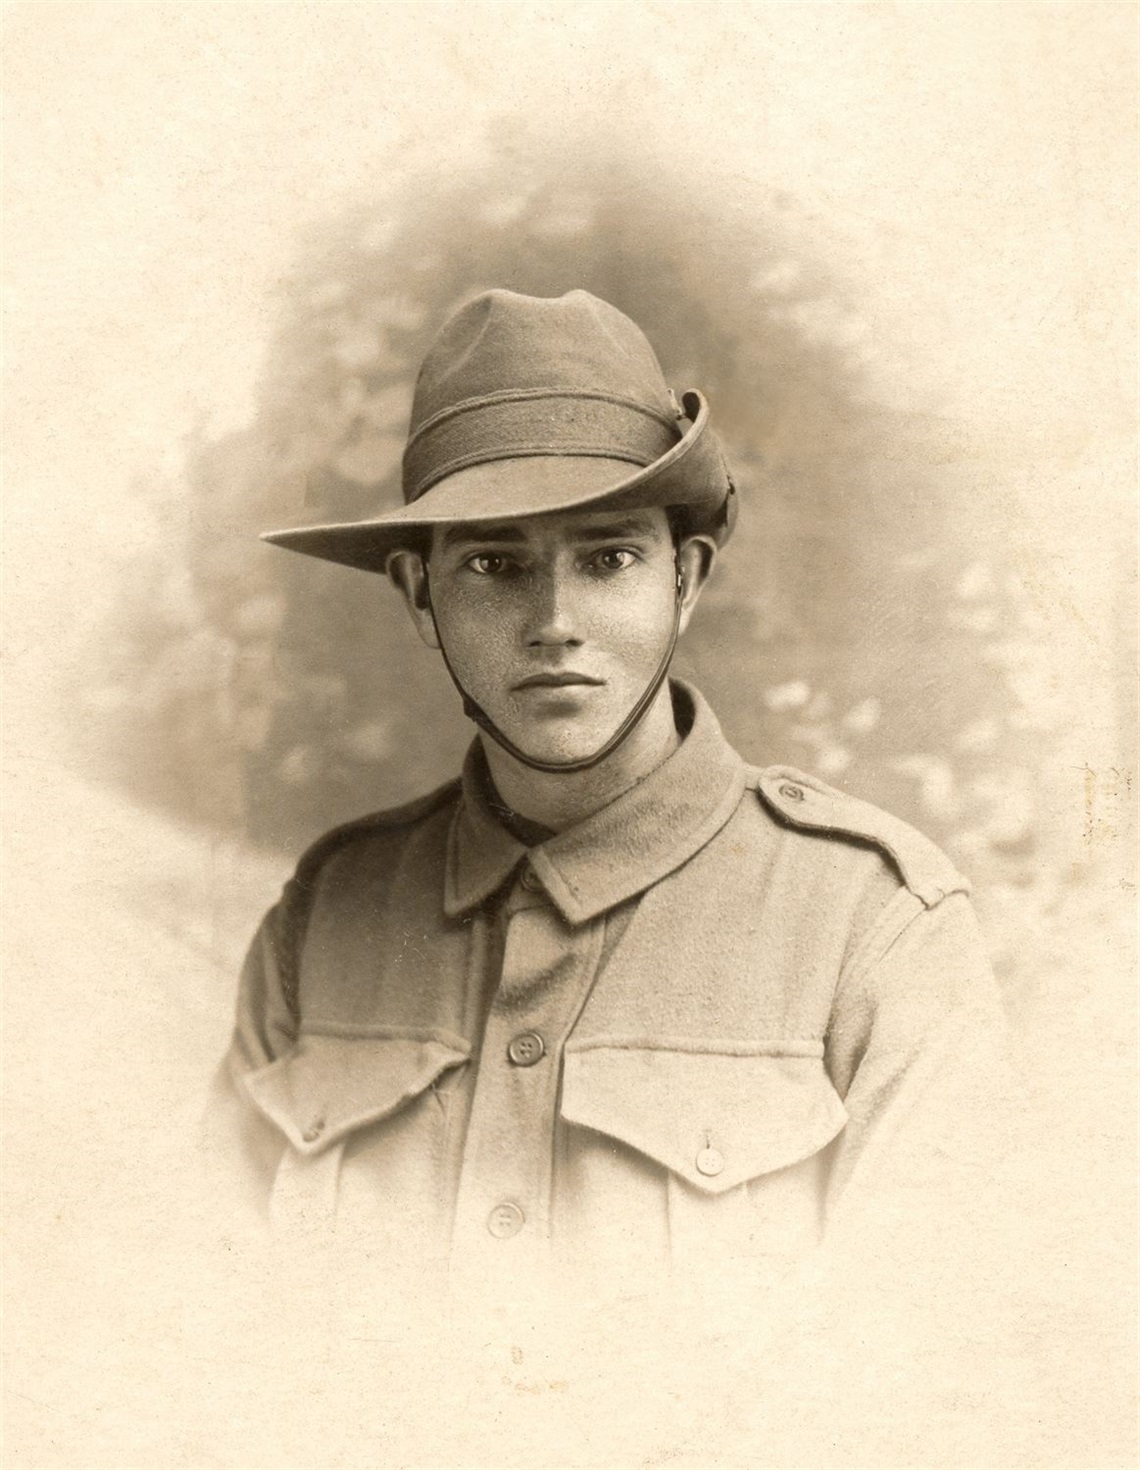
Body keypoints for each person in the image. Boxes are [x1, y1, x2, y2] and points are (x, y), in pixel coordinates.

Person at [208, 288, 1011, 1309]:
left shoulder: (878, 925)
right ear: (420, 595)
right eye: (496, 564)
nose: (554, 622)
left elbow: (931, 1380)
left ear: (687, 577)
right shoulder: (326, 918)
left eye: (609, 559)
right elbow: (210, 1332)